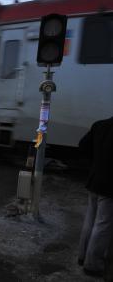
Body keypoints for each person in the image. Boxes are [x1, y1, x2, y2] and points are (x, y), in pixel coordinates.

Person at [78, 116, 113, 277]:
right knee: (103, 224)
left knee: (90, 220)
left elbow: (83, 146)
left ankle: (82, 256)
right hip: (110, 186)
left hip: (94, 180)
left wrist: (95, 163)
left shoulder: (99, 124)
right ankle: (93, 265)